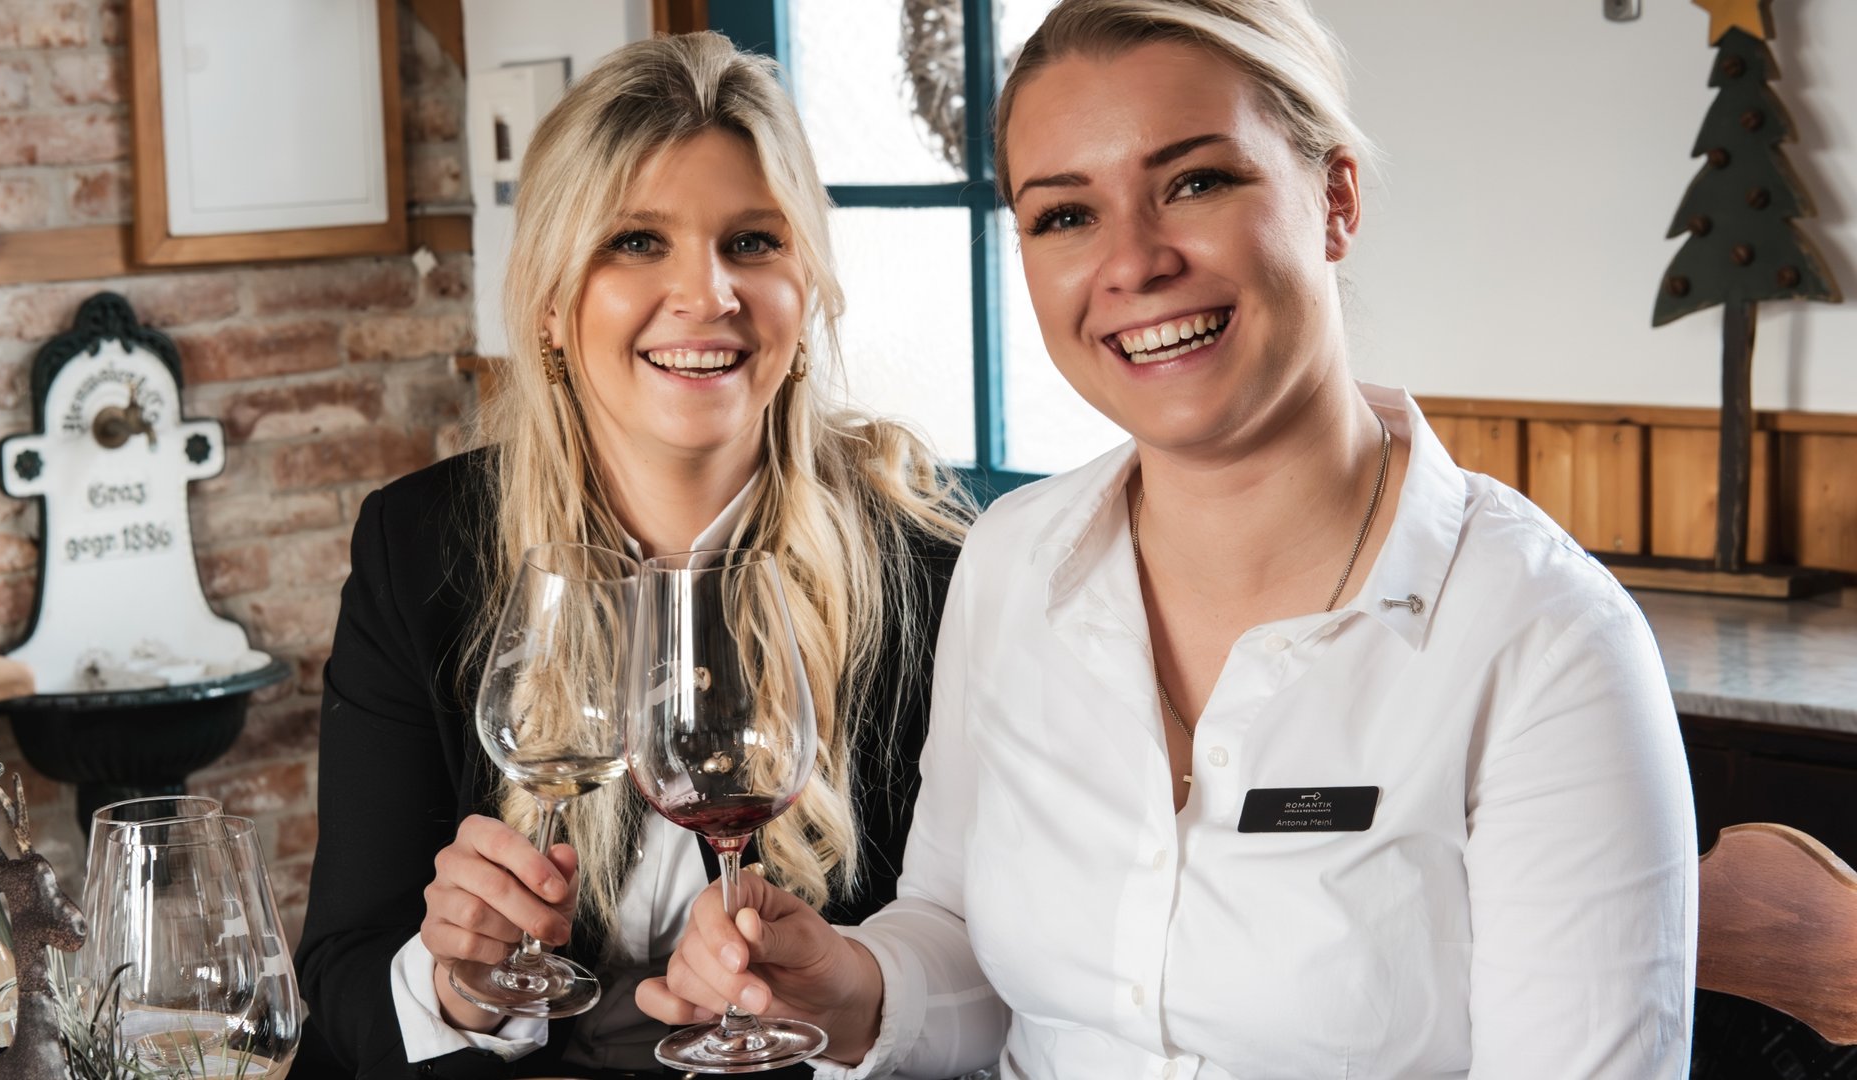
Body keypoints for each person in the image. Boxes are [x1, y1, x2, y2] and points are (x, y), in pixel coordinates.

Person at [636, 1, 1700, 1076]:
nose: (1134, 262)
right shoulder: (1011, 561)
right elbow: (966, 947)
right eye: (1066, 215)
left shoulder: (1548, 638)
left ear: (1335, 200)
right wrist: (855, 984)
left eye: (1195, 183)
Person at [294, 31, 968, 1080]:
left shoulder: (929, 569)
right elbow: (341, 978)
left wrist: (847, 993)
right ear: (553, 304)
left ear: (807, 288)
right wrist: (454, 987)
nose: (707, 294)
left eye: (752, 241)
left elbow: (993, 978)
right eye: (638, 242)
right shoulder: (420, 545)